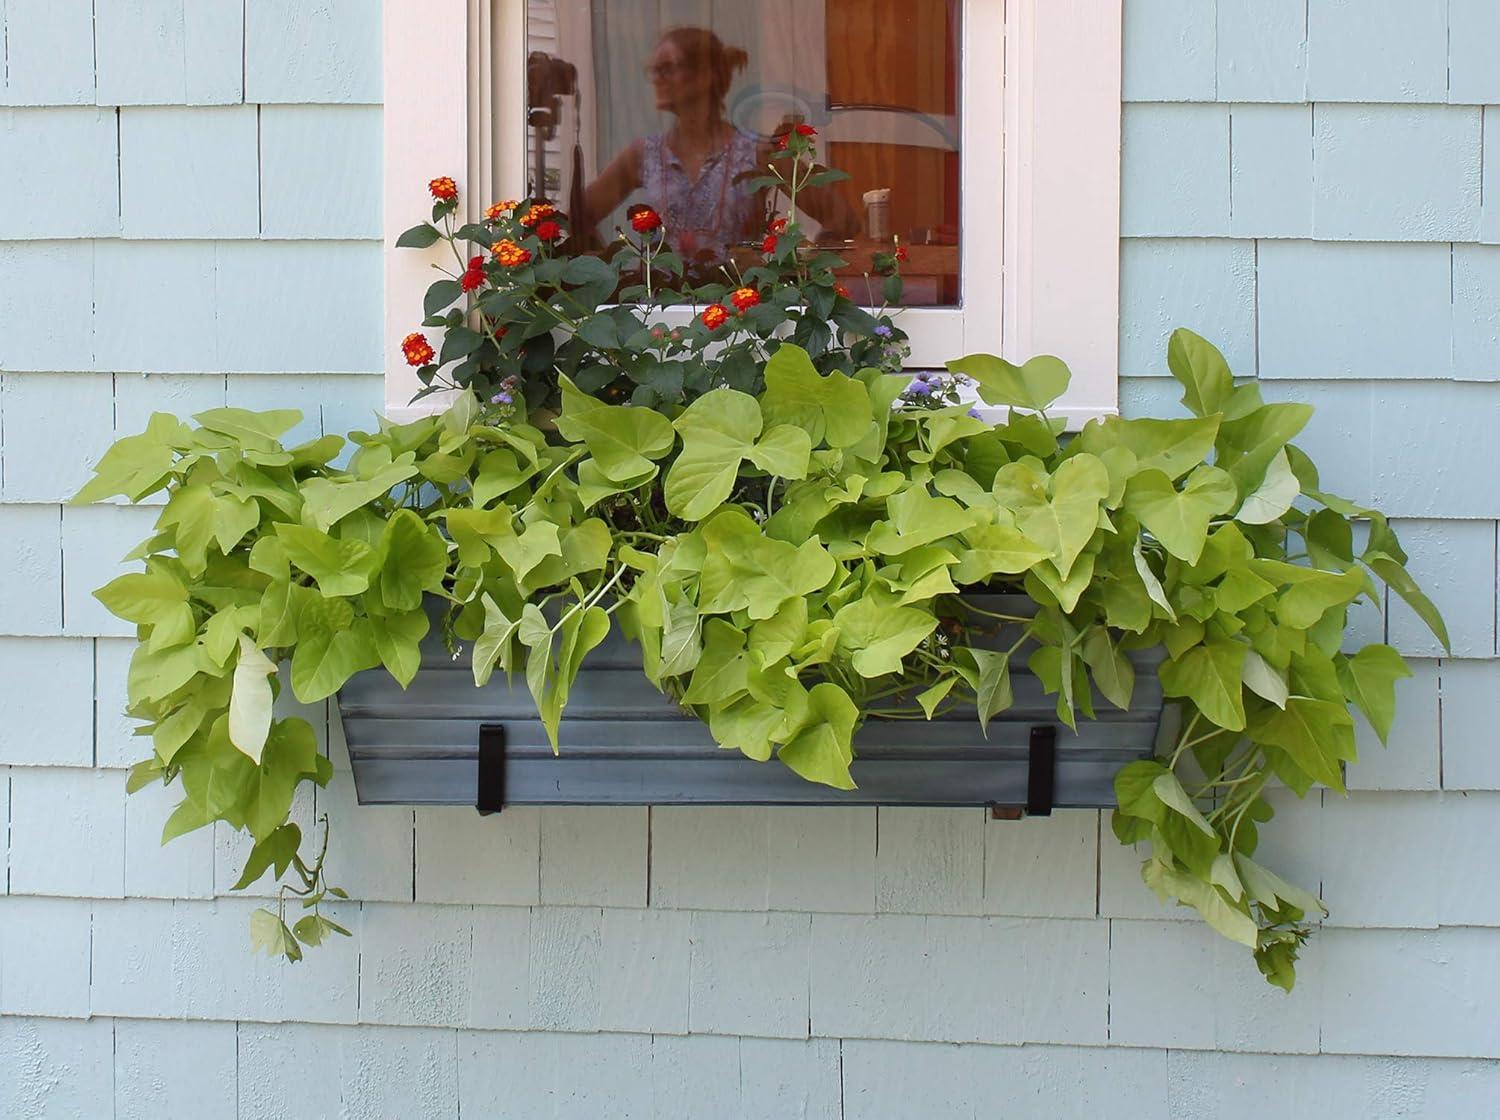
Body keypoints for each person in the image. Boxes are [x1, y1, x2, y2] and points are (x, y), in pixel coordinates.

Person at [582, 26, 855, 271]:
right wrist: (609, 276)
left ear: (704, 76)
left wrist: (798, 270)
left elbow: (842, 219)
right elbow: (578, 216)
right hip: (659, 318)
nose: (657, 79)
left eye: (667, 68)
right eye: (654, 70)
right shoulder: (645, 154)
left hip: (737, 317)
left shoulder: (756, 153)